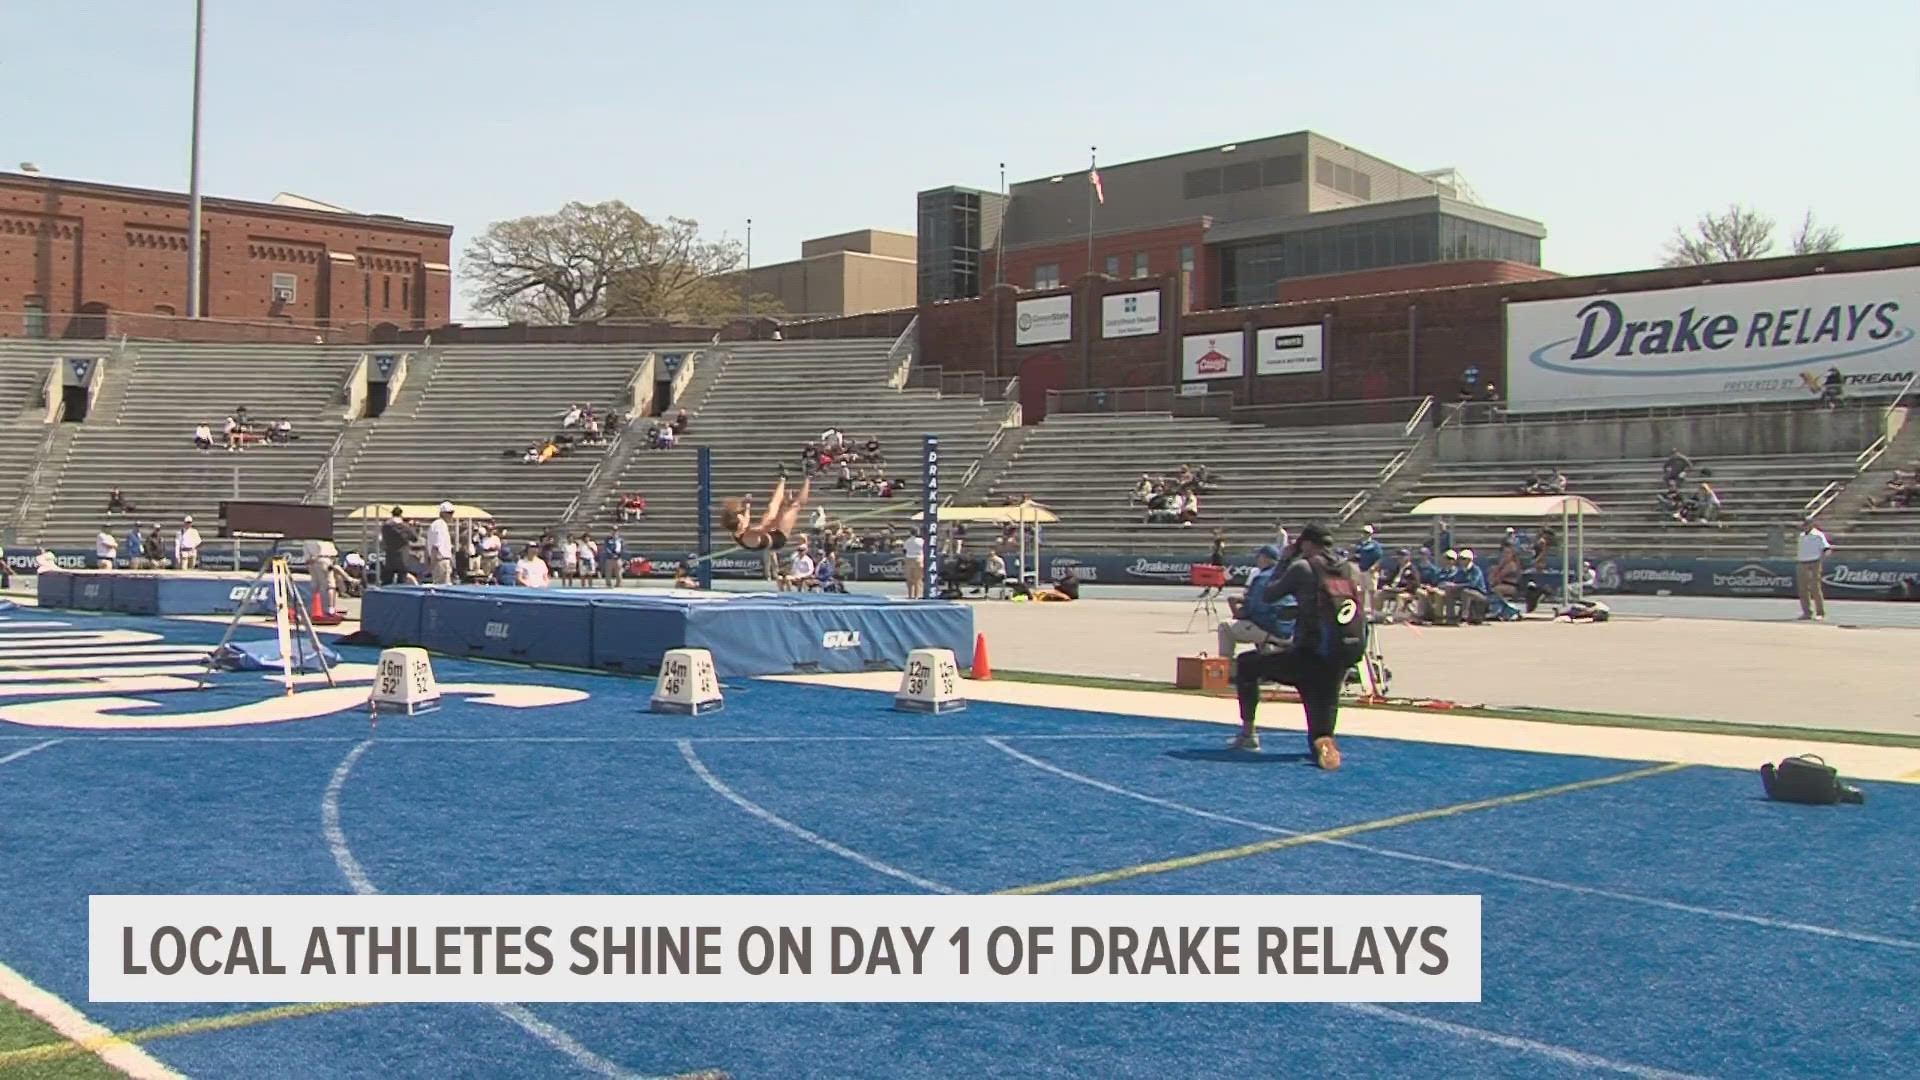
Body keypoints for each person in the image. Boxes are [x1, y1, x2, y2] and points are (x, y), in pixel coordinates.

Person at [1229, 523, 1367, 770]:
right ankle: (1324, 741)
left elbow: (1269, 595)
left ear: (1306, 544)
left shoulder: (1303, 567)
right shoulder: (1350, 570)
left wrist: (1284, 561)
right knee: (1321, 718)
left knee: (1247, 664)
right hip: (1340, 654)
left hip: (1306, 655)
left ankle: (1248, 735)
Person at [723, 474, 811, 553]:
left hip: (766, 532)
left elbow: (747, 518)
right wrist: (783, 506)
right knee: (794, 507)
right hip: (778, 537)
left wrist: (747, 505)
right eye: (741, 517)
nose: (743, 516)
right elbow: (771, 525)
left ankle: (783, 478)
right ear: (739, 525)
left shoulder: (739, 529)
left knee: (772, 506)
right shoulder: (748, 535)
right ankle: (808, 476)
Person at [1796, 517, 1831, 621]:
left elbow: (1826, 549)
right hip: (1802, 562)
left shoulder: (1818, 535)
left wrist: (1820, 560)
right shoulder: (1801, 536)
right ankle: (1807, 612)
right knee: (1803, 589)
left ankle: (1820, 612)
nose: (1805, 527)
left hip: (1814, 562)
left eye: (1806, 525)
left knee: (1815, 588)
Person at [427, 502, 455, 585]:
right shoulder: (439, 525)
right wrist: (433, 562)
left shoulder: (440, 524)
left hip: (442, 560)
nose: (451, 515)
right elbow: (436, 545)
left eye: (452, 513)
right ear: (442, 513)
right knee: (442, 587)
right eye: (449, 513)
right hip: (440, 560)